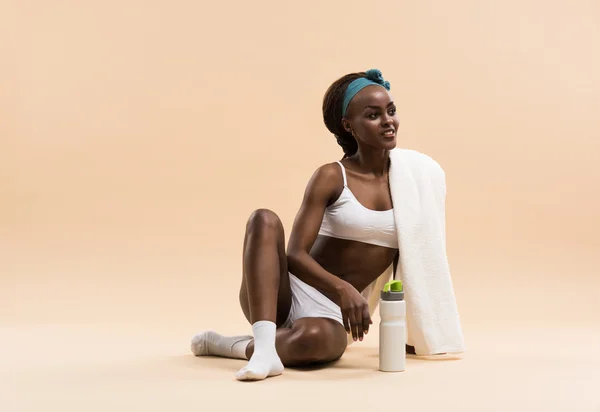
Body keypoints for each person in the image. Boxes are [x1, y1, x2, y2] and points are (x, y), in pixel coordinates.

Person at [191, 69, 412, 381]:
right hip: (281, 293)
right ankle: (266, 345)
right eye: (373, 115)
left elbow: (421, 253)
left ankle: (238, 346)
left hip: (336, 313)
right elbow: (294, 253)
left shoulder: (413, 180)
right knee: (263, 218)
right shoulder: (332, 176)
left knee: (315, 342)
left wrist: (413, 327)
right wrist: (343, 288)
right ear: (349, 126)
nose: (387, 121)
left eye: (390, 111)